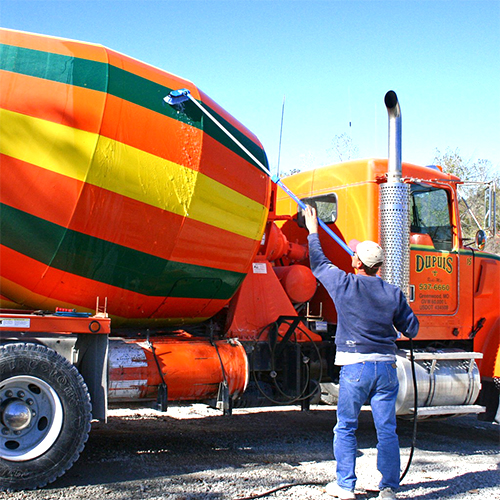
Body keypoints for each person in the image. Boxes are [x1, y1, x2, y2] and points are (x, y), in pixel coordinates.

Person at [304, 205, 419, 500]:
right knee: (387, 430)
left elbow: (318, 263)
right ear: (377, 267)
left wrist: (313, 230)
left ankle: (345, 486)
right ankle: (389, 489)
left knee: (346, 427)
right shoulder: (392, 292)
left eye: (353, 254)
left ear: (356, 262)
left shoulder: (345, 284)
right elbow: (413, 329)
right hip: (385, 369)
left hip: (355, 368)